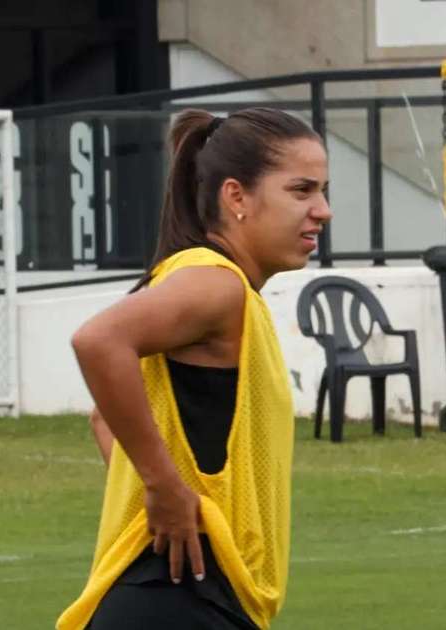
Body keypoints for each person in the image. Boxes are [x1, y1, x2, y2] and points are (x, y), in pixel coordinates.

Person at [56, 107, 331, 630]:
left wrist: (167, 500)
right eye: (301, 190)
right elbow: (98, 340)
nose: (322, 210)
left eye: (322, 191)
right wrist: (163, 489)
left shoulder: (221, 287)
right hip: (174, 600)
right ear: (236, 197)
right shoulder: (215, 283)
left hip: (189, 590)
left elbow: (103, 417)